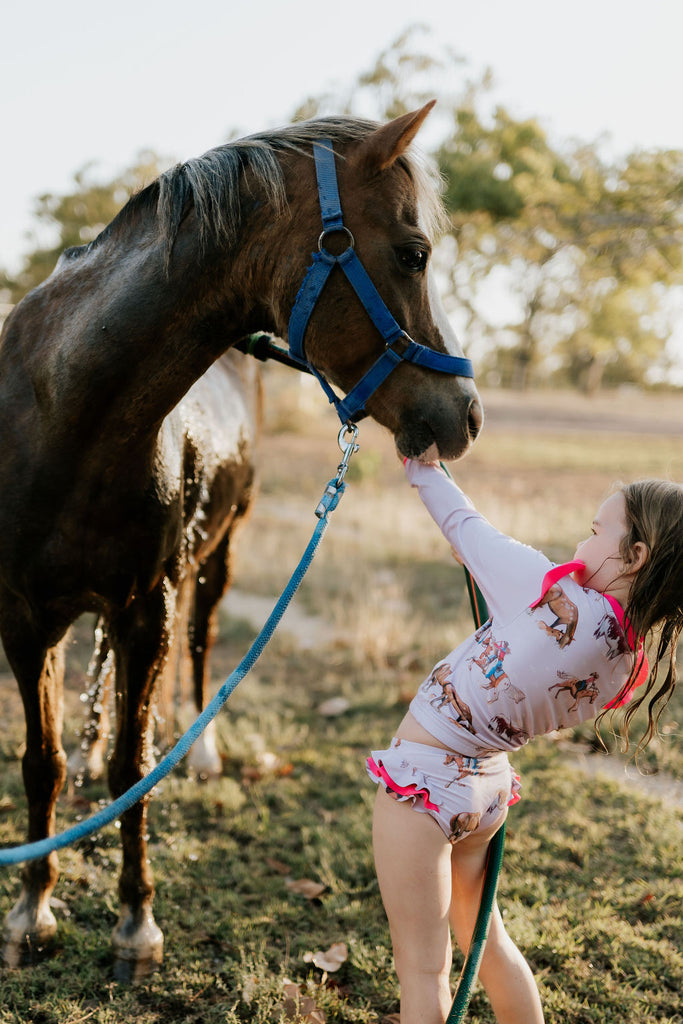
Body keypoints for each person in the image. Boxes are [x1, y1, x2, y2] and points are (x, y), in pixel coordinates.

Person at [368, 461, 683, 1024]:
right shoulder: (626, 660)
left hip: (424, 784)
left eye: (595, 532)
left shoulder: (553, 594)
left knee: (422, 970)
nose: (580, 543)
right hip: (485, 791)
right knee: (487, 942)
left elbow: (465, 525)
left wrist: (424, 466)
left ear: (635, 556)